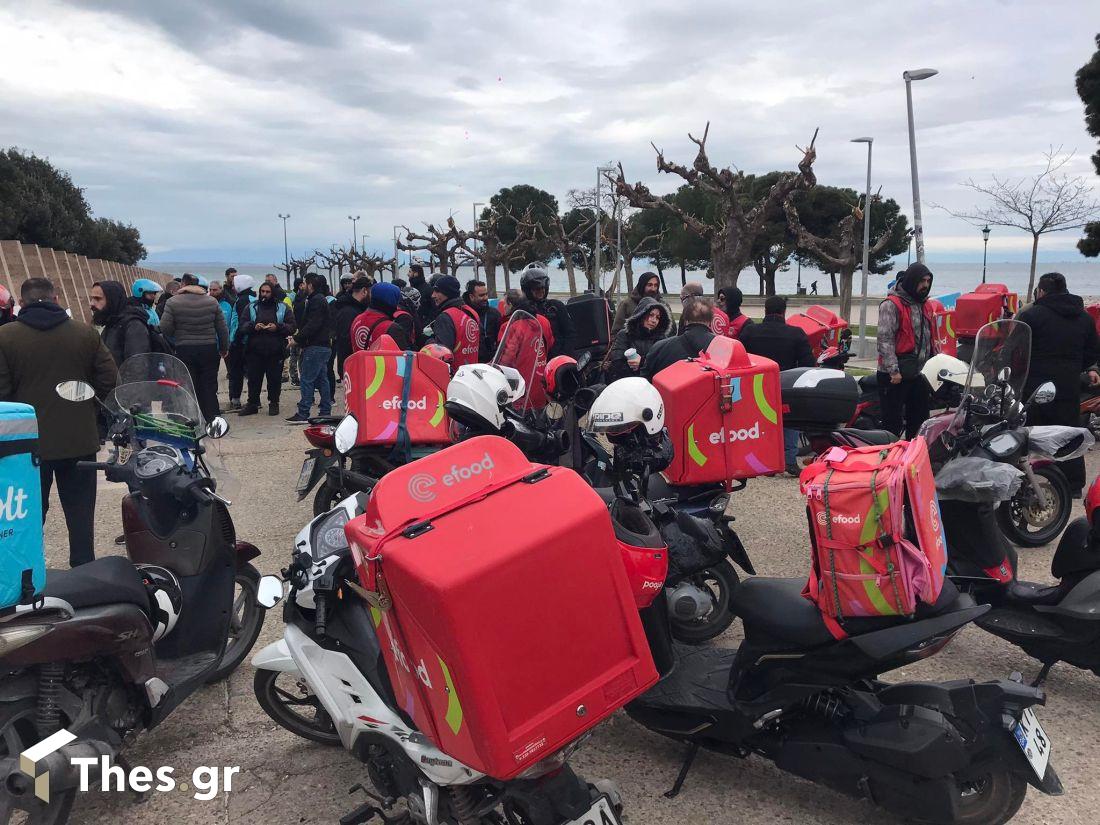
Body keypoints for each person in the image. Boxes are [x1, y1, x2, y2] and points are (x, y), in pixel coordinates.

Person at [0, 277, 117, 567]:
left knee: (28, 516)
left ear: (22, 303)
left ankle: (29, 576)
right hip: (79, 440)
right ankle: (84, 573)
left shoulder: (5, 337)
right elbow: (109, 380)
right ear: (55, 299)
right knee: (80, 516)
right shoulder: (85, 333)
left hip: (24, 446)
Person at [1016, 271, 1100, 495]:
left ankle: (1033, 482)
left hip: (1036, 388)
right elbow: (1092, 353)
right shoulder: (1084, 318)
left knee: (1032, 436)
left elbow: (1016, 350)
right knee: (1069, 434)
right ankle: (1072, 486)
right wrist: (1077, 369)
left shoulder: (1031, 316)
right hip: (1068, 387)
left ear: (1041, 291)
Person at [739, 295, 814, 475]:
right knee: (789, 421)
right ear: (784, 312)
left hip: (757, 385)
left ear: (765, 311)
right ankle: (789, 460)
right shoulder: (796, 334)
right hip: (786, 384)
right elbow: (808, 364)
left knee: (760, 423)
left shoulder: (750, 332)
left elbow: (739, 359)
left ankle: (764, 461)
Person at [876, 263, 937, 439]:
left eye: (928, 281)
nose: (925, 285)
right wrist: (893, 371)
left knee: (919, 421)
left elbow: (930, 337)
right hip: (895, 375)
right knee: (892, 423)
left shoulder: (925, 305)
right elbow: (885, 339)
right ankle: (889, 460)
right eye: (922, 281)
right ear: (912, 281)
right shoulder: (891, 305)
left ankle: (914, 460)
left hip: (918, 373)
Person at [159, 273, 229, 421]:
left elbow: (165, 327)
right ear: (197, 285)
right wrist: (224, 348)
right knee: (209, 386)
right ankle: (213, 418)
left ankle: (194, 419)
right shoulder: (211, 302)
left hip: (185, 349)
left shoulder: (173, 302)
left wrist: (177, 335)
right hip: (209, 348)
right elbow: (222, 329)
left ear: (183, 284)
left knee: (189, 386)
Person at [239, 281, 296, 416]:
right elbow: (242, 325)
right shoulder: (251, 307)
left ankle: (274, 403)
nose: (264, 294)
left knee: (274, 379)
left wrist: (278, 327)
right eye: (262, 291)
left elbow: (292, 326)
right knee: (253, 379)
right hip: (255, 350)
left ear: (273, 293)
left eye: (267, 292)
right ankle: (252, 403)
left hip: (275, 350)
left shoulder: (282, 307)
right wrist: (254, 327)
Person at [287, 273, 333, 423]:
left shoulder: (316, 301)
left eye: (305, 283)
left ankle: (303, 412)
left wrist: (297, 339)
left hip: (316, 346)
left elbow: (313, 324)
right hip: (323, 345)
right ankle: (325, 411)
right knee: (322, 378)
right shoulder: (318, 300)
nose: (303, 286)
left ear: (310, 285)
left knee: (307, 379)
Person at [642, 298, 717, 379]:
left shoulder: (659, 347)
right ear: (710, 322)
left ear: (685, 321)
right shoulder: (723, 347)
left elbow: (645, 379)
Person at [605, 297, 671, 381]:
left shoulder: (661, 338)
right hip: (627, 383)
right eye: (651, 315)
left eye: (658, 317)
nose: (654, 320)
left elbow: (664, 366)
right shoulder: (625, 335)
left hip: (651, 386)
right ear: (641, 315)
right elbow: (617, 364)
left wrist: (643, 363)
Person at [89, 280, 152, 367]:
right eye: (92, 299)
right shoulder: (111, 322)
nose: (91, 303)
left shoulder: (134, 326)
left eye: (98, 299)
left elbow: (137, 367)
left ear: (112, 300)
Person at [519, 265, 576, 357]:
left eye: (543, 287)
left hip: (558, 359)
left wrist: (562, 358)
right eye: (537, 288)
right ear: (527, 289)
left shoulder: (556, 306)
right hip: (534, 360)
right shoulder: (522, 311)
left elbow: (570, 334)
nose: (541, 290)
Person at [427, 275, 480, 368]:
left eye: (437, 291)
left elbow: (441, 354)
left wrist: (429, 341)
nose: (433, 295)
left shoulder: (445, 317)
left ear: (447, 293)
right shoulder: (471, 312)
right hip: (472, 372)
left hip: (454, 375)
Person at [350, 282, 412, 351]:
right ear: (392, 302)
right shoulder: (392, 328)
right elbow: (401, 359)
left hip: (359, 361)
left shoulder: (357, 320)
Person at [226, 273, 257, 410]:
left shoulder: (242, 300)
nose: (233, 287)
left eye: (234, 284)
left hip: (240, 342)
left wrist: (235, 339)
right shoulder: (253, 298)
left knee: (236, 372)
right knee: (252, 372)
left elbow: (240, 322)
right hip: (252, 341)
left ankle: (236, 400)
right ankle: (254, 399)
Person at [333, 276, 371, 373]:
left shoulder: (356, 308)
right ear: (364, 291)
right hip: (352, 365)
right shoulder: (348, 312)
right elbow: (345, 341)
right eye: (370, 292)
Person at [465, 279, 501, 362]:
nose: (485, 298)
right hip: (468, 361)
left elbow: (500, 340)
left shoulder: (494, 314)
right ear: (471, 297)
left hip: (489, 362)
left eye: (486, 294)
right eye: (481, 295)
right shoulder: (463, 314)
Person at [288, 276, 306, 385]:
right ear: (300, 285)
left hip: (294, 329)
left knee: (294, 355)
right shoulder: (301, 300)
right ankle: (300, 377)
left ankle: (294, 378)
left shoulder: (293, 298)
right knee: (299, 356)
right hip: (299, 330)